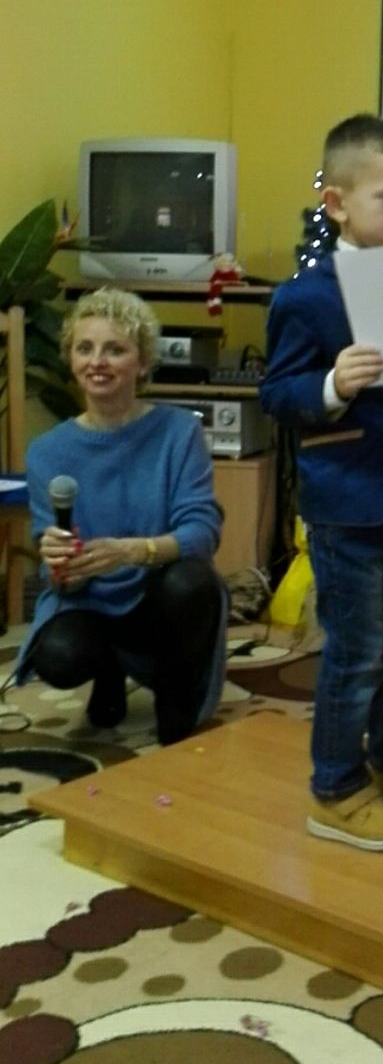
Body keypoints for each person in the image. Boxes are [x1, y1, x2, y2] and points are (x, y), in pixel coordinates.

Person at [260, 113, 383, 852]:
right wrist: (332, 384)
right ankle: (336, 788)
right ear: (336, 203)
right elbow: (278, 394)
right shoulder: (304, 298)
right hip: (345, 505)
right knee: (356, 653)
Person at [18, 287, 228, 745]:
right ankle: (109, 670)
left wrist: (133, 552)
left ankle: (174, 694)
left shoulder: (179, 432)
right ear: (71, 359)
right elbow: (58, 579)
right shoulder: (47, 452)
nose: (98, 362)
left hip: (162, 597)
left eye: (115, 349)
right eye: (85, 348)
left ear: (143, 363)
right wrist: (61, 565)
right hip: (90, 602)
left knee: (192, 581)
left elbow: (202, 533)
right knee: (57, 657)